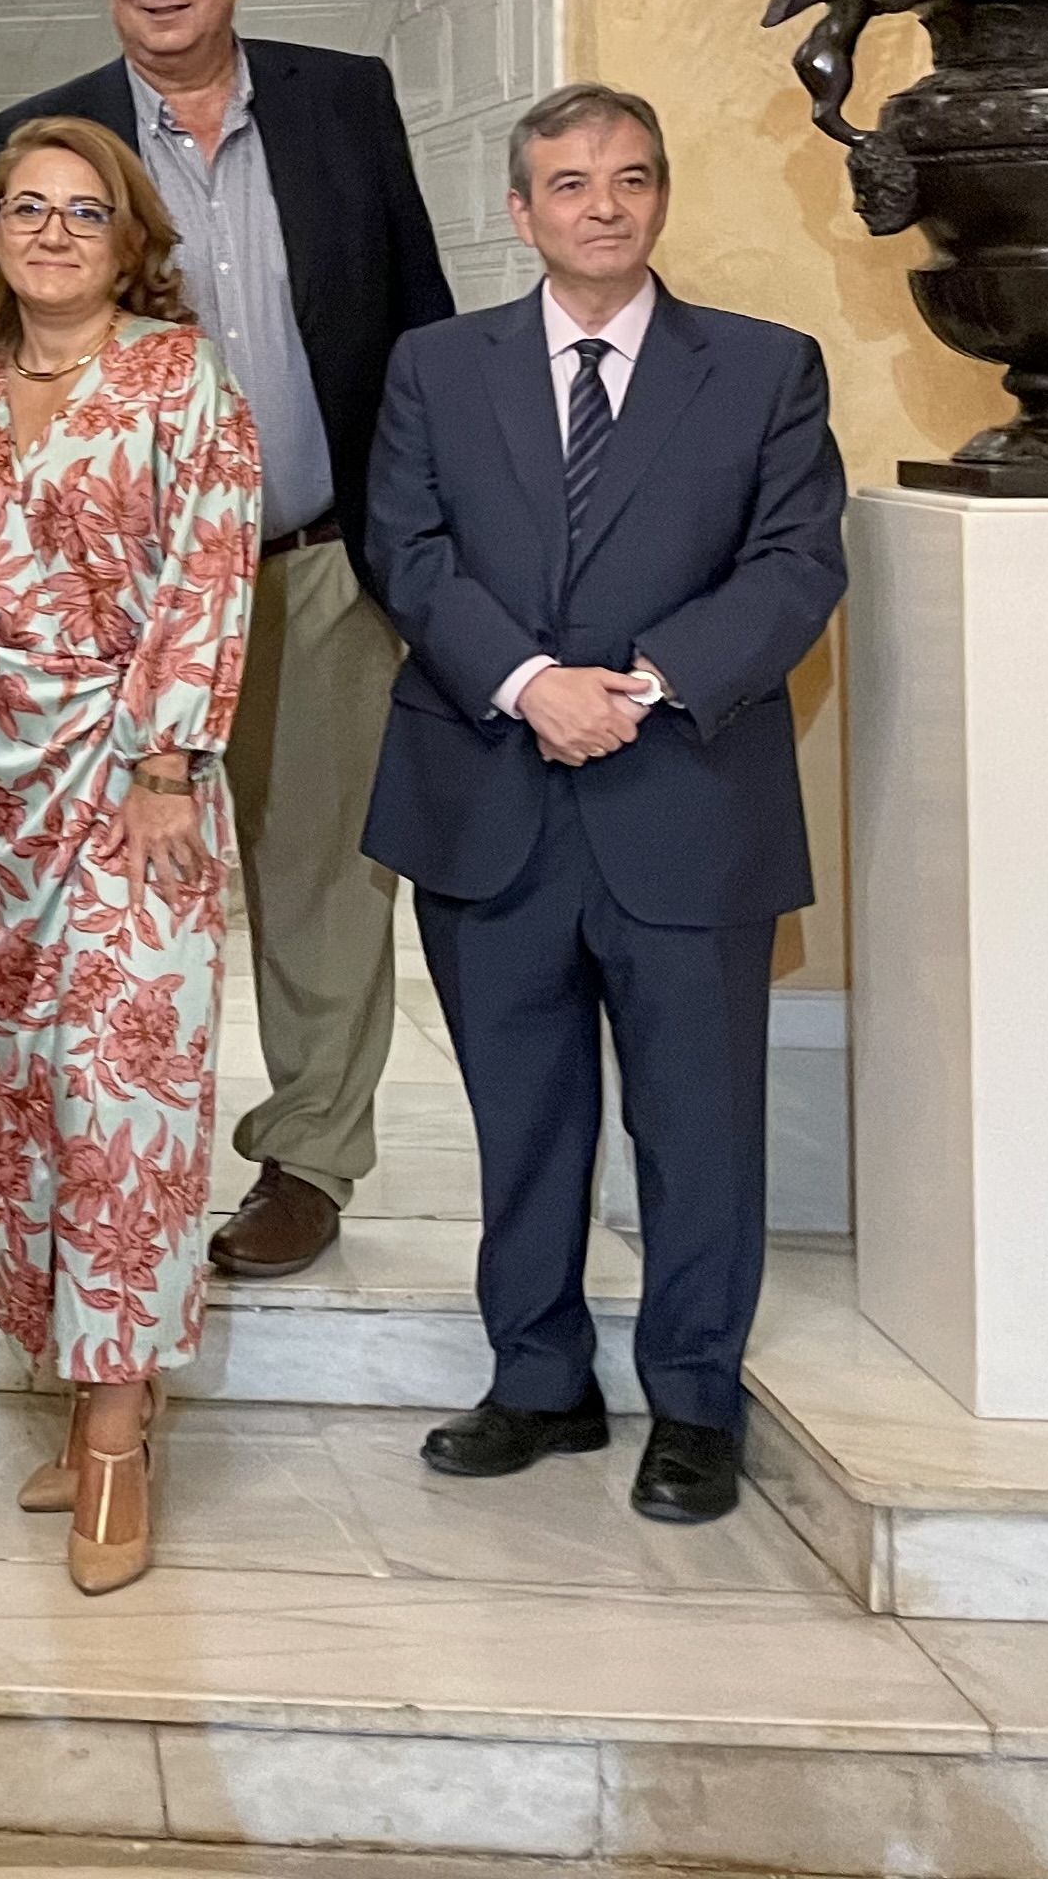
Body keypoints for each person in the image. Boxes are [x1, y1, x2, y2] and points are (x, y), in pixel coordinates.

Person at [361, 85, 844, 1528]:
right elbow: (406, 548)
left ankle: (693, 1403)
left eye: (631, 178)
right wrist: (529, 684)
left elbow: (796, 563)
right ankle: (538, 1380)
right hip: (488, 796)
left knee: (699, 1126)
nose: (604, 206)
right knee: (523, 1119)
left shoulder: (763, 368)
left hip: (686, 794)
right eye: (570, 184)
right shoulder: (435, 366)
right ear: (522, 211)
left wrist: (642, 684)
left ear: (662, 195)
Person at [0, 0, 453, 1286]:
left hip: (311, 571)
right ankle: (106, 1156)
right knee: (120, 904)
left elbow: (417, 327)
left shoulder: (344, 102)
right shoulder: (41, 138)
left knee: (321, 883)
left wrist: (415, 550)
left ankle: (308, 1156)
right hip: (109, 625)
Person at [0, 116, 262, 1595]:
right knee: (18, 1106)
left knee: (125, 1098)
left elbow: (212, 571)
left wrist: (169, 758)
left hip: (134, 780)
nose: (54, 232)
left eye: (85, 211)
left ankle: (122, 1433)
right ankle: (81, 1389)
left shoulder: (181, 376)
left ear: (131, 240)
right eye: (28, 208)